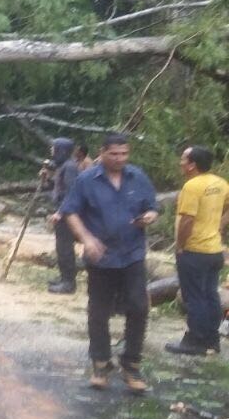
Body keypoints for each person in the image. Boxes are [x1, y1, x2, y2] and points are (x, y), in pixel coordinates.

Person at [60, 132, 159, 394]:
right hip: (100, 256)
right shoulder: (86, 180)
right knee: (99, 310)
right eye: (114, 154)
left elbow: (152, 207)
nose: (119, 159)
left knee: (138, 306)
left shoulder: (137, 176)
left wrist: (149, 216)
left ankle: (132, 364)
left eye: (124, 154)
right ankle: (101, 364)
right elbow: (70, 212)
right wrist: (86, 239)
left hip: (132, 253)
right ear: (102, 152)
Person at [165, 145, 227, 356]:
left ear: (192, 165)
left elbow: (187, 220)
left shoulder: (192, 187)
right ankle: (212, 340)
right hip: (214, 250)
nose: (180, 162)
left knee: (194, 297)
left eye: (183, 159)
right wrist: (220, 224)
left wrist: (181, 246)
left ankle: (195, 341)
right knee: (210, 295)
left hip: (195, 250)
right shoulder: (220, 183)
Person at [47, 138, 81, 294]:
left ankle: (69, 282)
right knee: (61, 247)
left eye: (54, 149)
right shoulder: (63, 167)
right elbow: (57, 187)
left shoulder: (70, 168)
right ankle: (64, 278)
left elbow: (70, 192)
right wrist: (47, 178)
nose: (52, 153)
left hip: (67, 213)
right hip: (62, 211)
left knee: (65, 247)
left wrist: (61, 212)